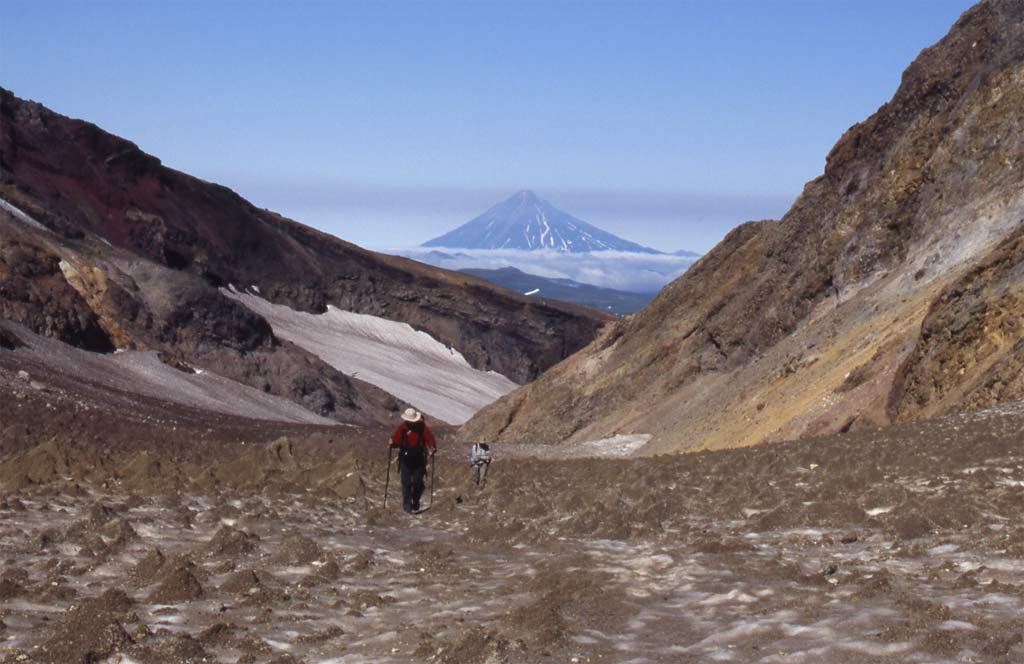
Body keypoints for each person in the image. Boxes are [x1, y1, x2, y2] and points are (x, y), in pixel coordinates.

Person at [389, 408, 436, 513]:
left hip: (418, 459)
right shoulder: (402, 428)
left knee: (417, 482)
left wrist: (432, 447)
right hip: (406, 459)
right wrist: (393, 443)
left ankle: (415, 500)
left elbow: (429, 438)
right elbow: (397, 441)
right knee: (406, 482)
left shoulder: (422, 428)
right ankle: (407, 504)